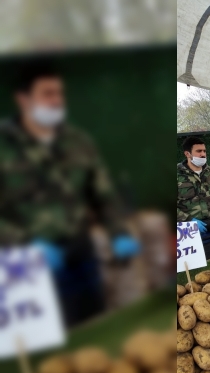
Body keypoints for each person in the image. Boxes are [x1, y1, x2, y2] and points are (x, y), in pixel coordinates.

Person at [0, 62, 140, 326]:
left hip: (81, 254)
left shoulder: (77, 141)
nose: (56, 101)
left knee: (95, 325)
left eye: (59, 93)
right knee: (48, 338)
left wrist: (118, 231)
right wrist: (24, 243)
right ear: (23, 99)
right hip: (26, 265)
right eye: (47, 94)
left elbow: (103, 193)